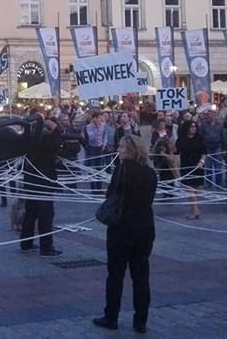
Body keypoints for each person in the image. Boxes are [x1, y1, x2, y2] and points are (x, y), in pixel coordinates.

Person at [93, 135, 157, 334]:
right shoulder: (150, 172)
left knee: (116, 274)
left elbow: (113, 194)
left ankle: (111, 316)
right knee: (141, 276)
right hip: (145, 226)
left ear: (129, 150)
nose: (118, 151)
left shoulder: (123, 169)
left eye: (121, 147)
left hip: (122, 227)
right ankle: (141, 321)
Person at [20, 116, 63, 257]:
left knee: (31, 213)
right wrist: (56, 128)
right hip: (43, 182)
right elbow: (57, 142)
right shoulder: (45, 141)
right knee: (46, 215)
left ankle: (26, 243)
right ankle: (46, 247)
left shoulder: (28, 139)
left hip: (30, 181)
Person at [176, 120, 206, 220]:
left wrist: (201, 161)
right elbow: (176, 151)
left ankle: (194, 210)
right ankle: (196, 210)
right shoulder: (181, 139)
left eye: (195, 126)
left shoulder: (200, 138)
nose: (194, 128)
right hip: (185, 166)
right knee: (188, 188)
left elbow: (204, 151)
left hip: (198, 166)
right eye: (191, 126)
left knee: (195, 189)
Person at [198, 110, 224, 188]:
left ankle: (218, 183)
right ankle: (208, 183)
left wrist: (223, 149)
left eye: (211, 114)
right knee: (208, 166)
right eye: (208, 115)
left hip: (217, 147)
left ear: (214, 115)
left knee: (218, 167)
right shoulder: (203, 125)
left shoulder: (219, 125)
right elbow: (201, 136)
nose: (209, 116)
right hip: (207, 147)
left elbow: (222, 137)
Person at [85, 112, 109, 190]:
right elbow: (91, 138)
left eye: (100, 118)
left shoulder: (103, 126)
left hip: (100, 149)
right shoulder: (88, 127)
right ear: (94, 118)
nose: (100, 120)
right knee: (92, 169)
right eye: (98, 118)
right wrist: (98, 129)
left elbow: (105, 135)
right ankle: (93, 189)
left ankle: (99, 188)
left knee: (100, 169)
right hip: (92, 149)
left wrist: (104, 144)